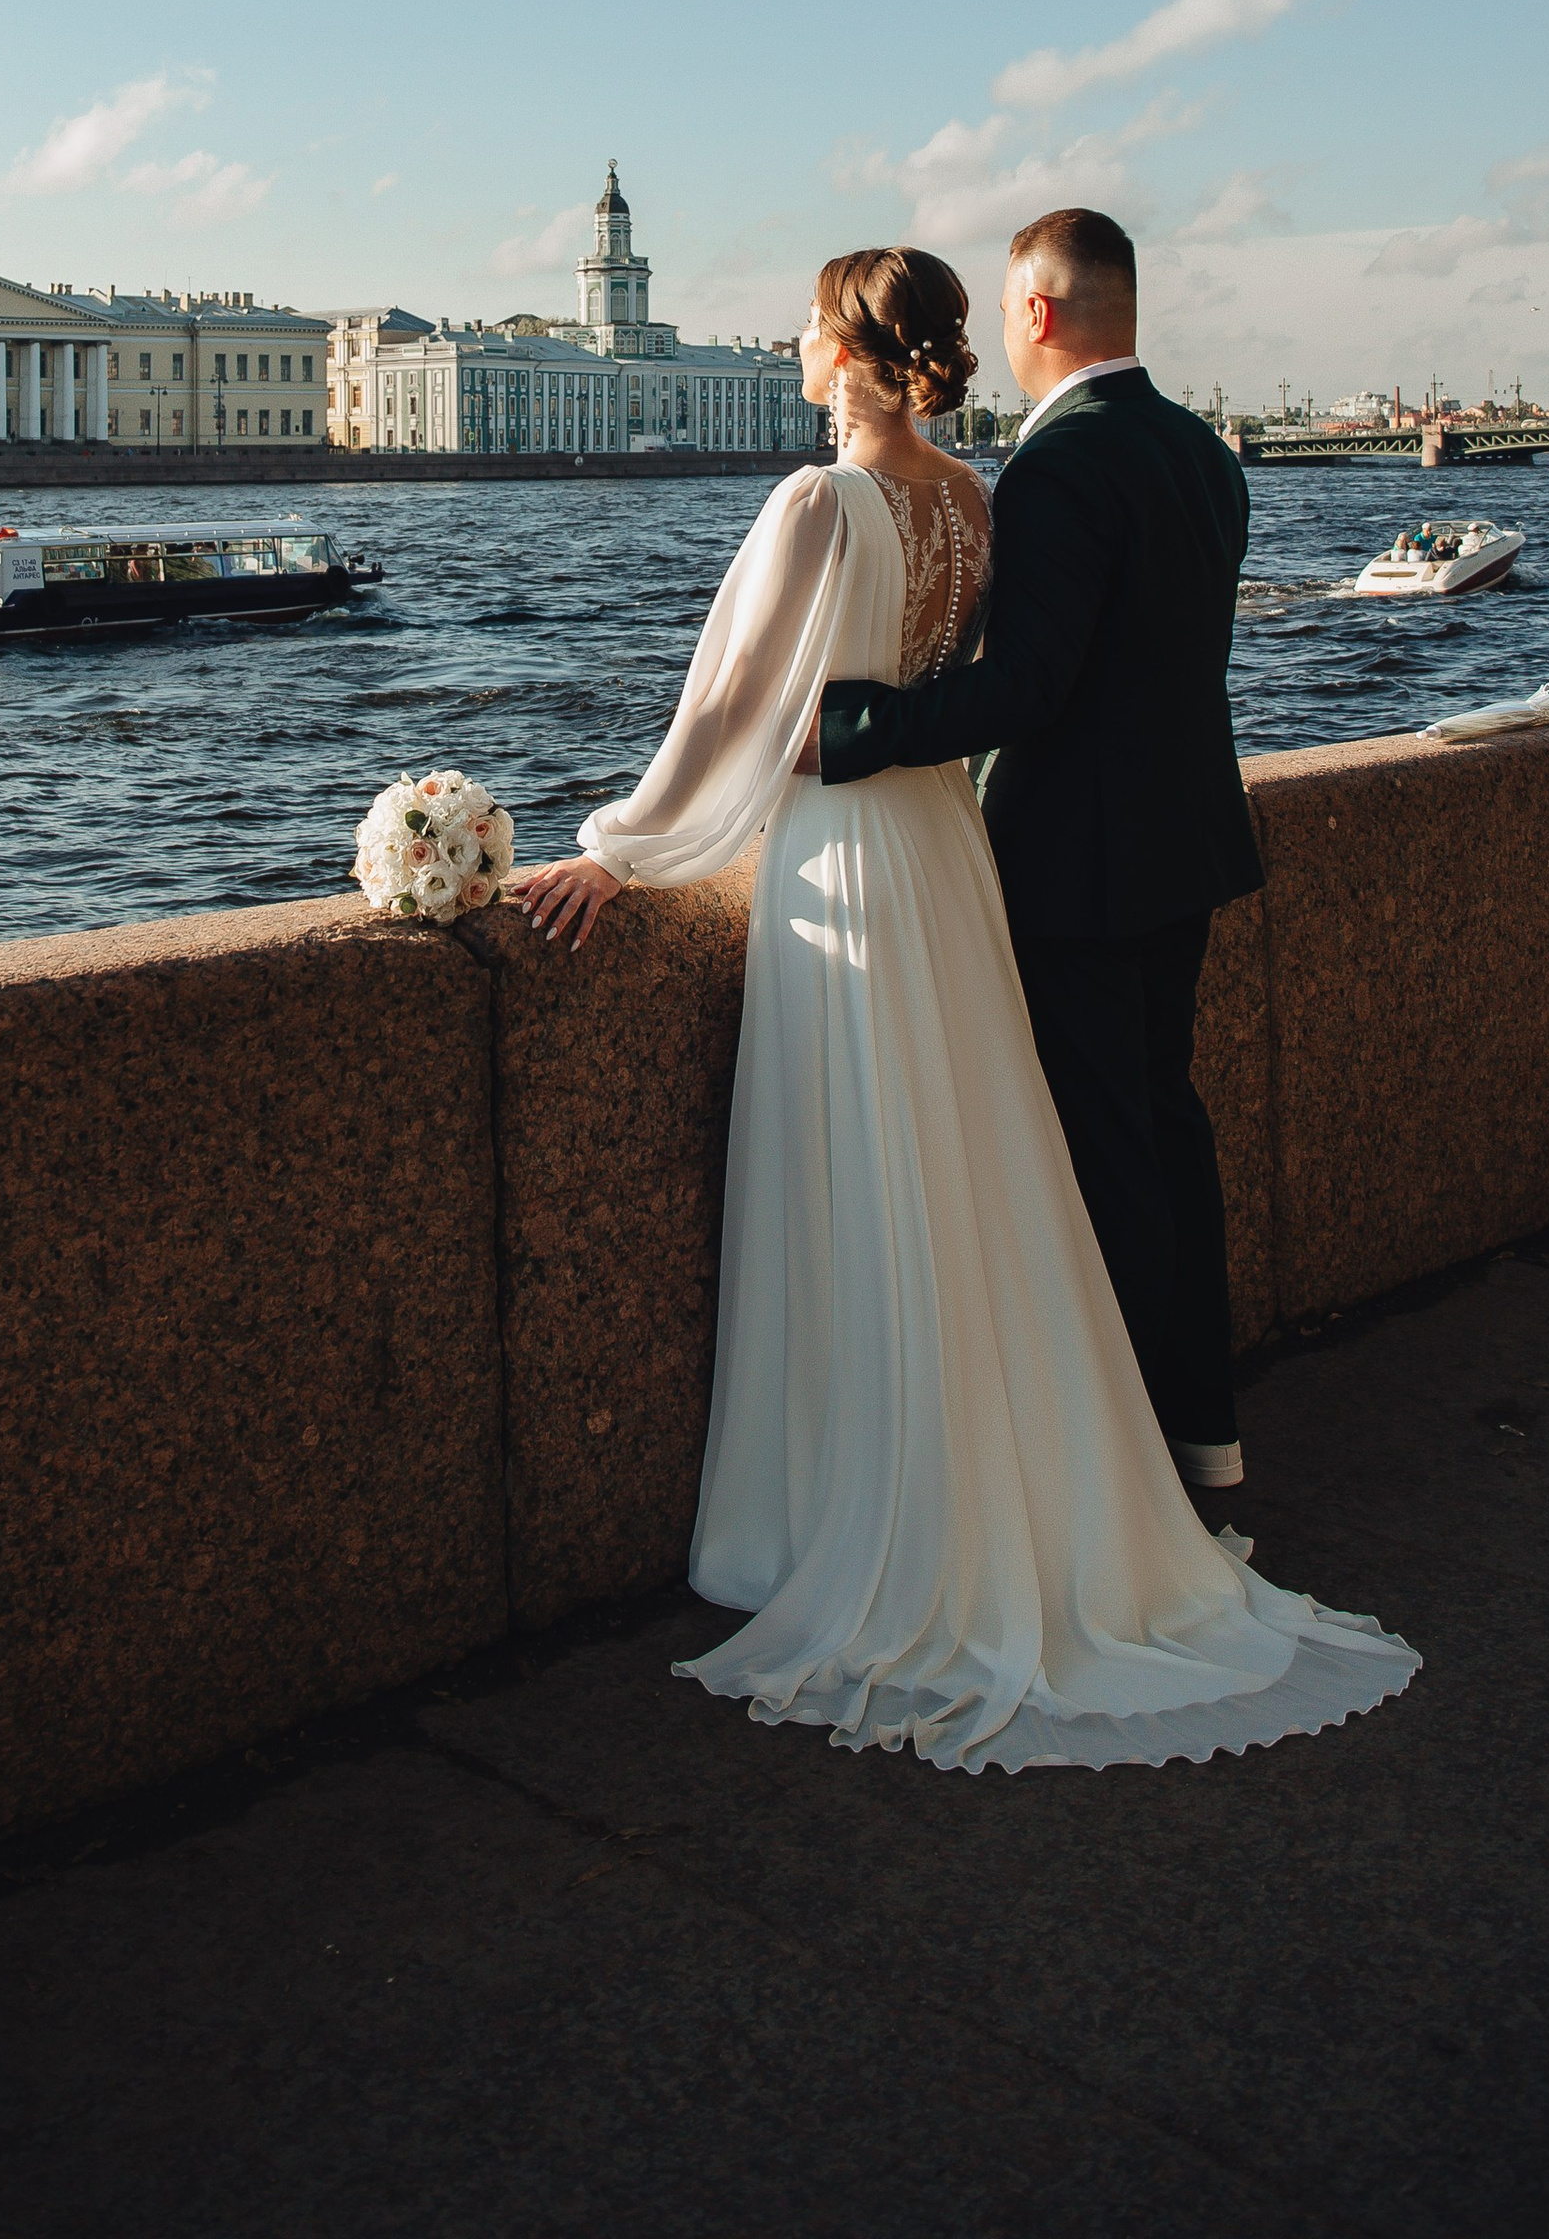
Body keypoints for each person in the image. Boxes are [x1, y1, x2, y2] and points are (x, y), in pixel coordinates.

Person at [512, 244, 1414, 1775]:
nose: (790, 343)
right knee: (975, 1170)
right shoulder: (976, 499)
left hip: (854, 866)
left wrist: (616, 849)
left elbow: (731, 710)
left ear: (853, 351)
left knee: (863, 1174)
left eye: (806, 325)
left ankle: (847, 1509)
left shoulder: (818, 501)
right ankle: (1099, 1463)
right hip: (949, 853)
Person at [817, 205, 1260, 1504]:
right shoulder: (1199, 451)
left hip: (1082, 867)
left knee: (1108, 1158)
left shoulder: (1063, 466)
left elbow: (1032, 690)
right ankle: (1202, 1432)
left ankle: (1122, 1478)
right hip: (1186, 848)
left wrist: (862, 726)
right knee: (1170, 1135)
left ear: (1038, 313)